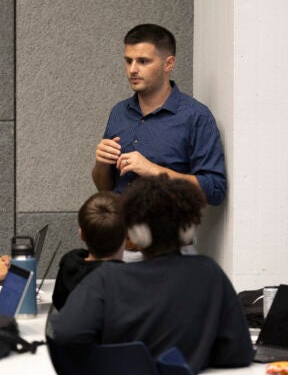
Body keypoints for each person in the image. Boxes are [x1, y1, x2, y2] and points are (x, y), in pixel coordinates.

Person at [51, 175, 253, 373]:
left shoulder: (107, 279)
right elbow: (238, 353)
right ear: (188, 230)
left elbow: (67, 335)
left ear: (136, 233)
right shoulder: (209, 273)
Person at [92, 24, 226, 207]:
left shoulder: (196, 116)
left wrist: (154, 171)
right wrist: (101, 164)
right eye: (128, 61)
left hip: (167, 233)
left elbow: (215, 190)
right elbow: (105, 189)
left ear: (168, 63)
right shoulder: (119, 112)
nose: (132, 69)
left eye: (143, 61)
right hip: (119, 231)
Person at [52, 191, 125, 310]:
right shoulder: (127, 281)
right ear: (127, 235)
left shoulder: (68, 267)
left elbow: (58, 302)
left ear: (81, 234)